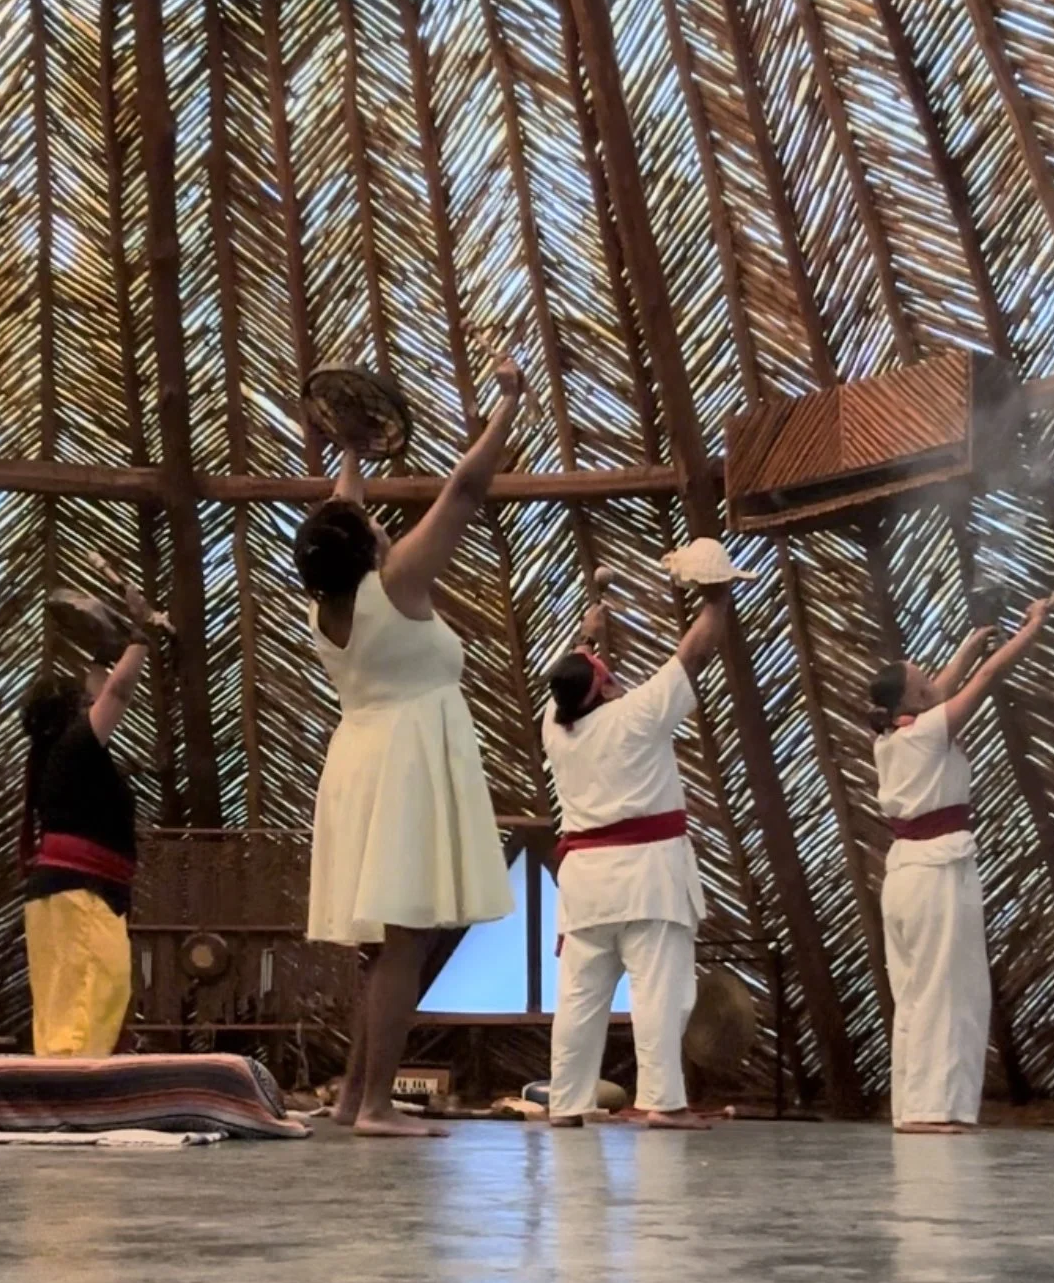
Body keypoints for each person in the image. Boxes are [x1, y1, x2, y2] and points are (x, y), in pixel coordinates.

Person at [297, 361, 521, 1137]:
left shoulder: (330, 603)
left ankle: (354, 1097)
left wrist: (350, 450)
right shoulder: (395, 583)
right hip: (405, 762)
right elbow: (463, 491)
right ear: (368, 545)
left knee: (383, 947)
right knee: (404, 941)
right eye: (368, 523)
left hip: (360, 759)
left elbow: (339, 515)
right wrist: (508, 404)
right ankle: (376, 1105)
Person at [869, 592, 1054, 1134]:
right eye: (923, 678)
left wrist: (970, 642)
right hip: (937, 873)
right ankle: (934, 1110)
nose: (934, 678)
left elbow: (945, 686)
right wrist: (1032, 628)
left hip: (906, 876)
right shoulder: (930, 732)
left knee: (915, 994)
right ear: (914, 698)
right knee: (948, 989)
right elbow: (985, 679)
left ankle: (913, 1108)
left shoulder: (893, 738)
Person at [541, 583, 731, 1129]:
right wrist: (716, 601)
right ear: (603, 688)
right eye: (607, 675)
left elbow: (572, 678)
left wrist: (587, 637)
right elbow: (692, 655)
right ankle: (663, 1102)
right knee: (659, 994)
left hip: (585, 887)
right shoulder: (637, 716)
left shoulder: (555, 727)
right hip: (647, 878)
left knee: (579, 999)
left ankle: (567, 1102)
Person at [19, 599, 158, 1057]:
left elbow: (104, 687)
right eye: (82, 702)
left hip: (66, 894)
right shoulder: (75, 744)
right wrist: (141, 639)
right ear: (71, 713)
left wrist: (112, 648)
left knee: (73, 1003)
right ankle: (71, 1089)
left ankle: (63, 1086)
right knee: (89, 998)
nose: (90, 703)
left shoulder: (54, 753)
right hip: (79, 895)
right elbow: (116, 693)